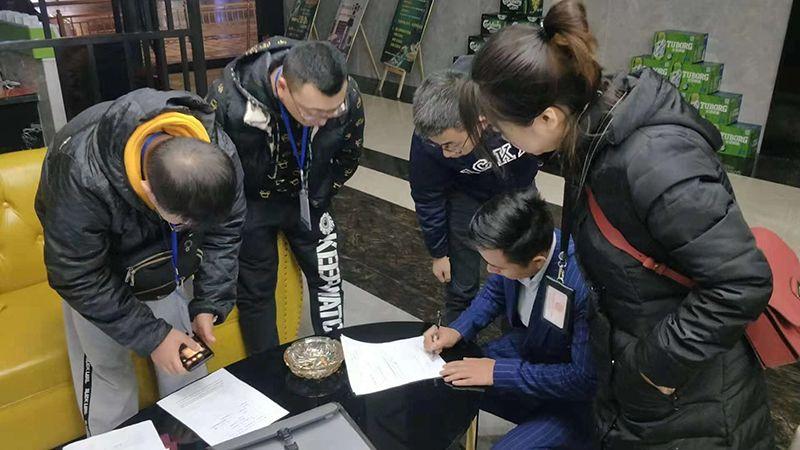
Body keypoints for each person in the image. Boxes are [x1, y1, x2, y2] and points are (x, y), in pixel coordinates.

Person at [459, 1, 774, 448]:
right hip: (632, 379)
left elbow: (741, 282)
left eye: (506, 132)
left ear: (548, 116)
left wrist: (652, 370)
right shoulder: (589, 143)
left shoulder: (656, 160)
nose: (508, 144)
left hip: (691, 398)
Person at [35, 88, 246, 434]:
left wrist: (210, 300)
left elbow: (227, 230)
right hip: (98, 275)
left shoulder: (216, 149)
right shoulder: (78, 173)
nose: (194, 229)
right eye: (182, 222)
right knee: (110, 375)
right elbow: (77, 274)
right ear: (148, 191)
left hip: (166, 266)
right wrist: (152, 338)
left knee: (186, 371)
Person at [207, 37, 364, 354]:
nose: (325, 120)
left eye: (333, 111)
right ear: (282, 88)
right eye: (314, 113)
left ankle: (336, 357)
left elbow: (349, 154)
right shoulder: (228, 101)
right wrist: (239, 212)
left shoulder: (343, 97)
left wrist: (320, 194)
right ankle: (267, 370)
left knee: (328, 280)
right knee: (257, 292)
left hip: (311, 198)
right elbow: (216, 170)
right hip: (251, 204)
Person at [424, 188, 595, 449]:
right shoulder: (516, 252)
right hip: (530, 350)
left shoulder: (582, 285)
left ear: (537, 261)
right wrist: (457, 330)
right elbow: (494, 292)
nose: (491, 271)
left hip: (572, 400)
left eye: (498, 267)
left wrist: (497, 371)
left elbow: (581, 380)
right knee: (440, 378)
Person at [410, 58, 540, 325]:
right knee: (461, 283)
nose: (446, 153)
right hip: (466, 195)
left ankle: (516, 337)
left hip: (519, 188)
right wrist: (439, 253)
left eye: (451, 145)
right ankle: (455, 339)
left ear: (479, 122)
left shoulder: (514, 108)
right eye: (440, 147)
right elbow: (427, 197)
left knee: (520, 270)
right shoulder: (428, 140)